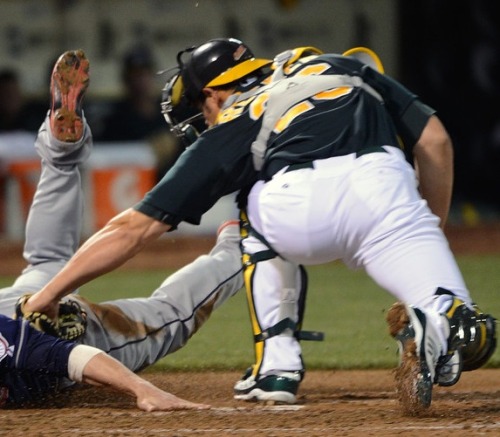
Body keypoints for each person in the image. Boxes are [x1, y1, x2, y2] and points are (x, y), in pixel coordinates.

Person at [21, 41, 496, 413]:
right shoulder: (344, 67)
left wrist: (45, 298)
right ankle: (437, 320)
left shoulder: (235, 116)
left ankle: (277, 368)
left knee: (246, 204)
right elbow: (435, 139)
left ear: (213, 92)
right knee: (469, 332)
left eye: (199, 107)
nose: (201, 119)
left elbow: (131, 230)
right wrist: (424, 229)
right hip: (387, 187)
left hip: (295, 206)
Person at [0, 49, 244, 409]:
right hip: (9, 308)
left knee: (169, 316)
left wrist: (142, 389)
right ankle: (60, 153)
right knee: (46, 265)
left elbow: (73, 358)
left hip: (41, 332)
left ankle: (241, 245)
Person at [95, 45, 184, 180]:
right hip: (129, 188)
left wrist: (174, 144)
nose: (140, 81)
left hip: (166, 187)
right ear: (126, 80)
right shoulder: (114, 121)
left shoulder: (171, 114)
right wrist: (146, 150)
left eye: (144, 74)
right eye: (134, 75)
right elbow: (104, 159)